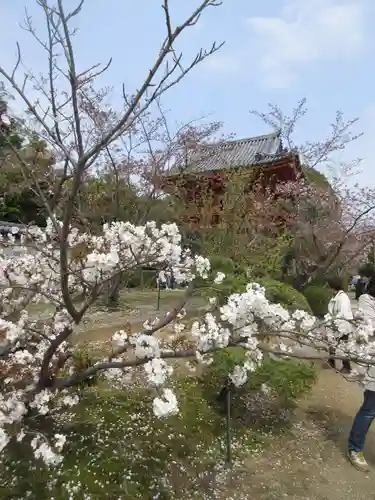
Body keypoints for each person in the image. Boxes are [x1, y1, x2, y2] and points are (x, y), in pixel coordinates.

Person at [326, 276, 353, 373]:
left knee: (343, 346)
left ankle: (346, 366)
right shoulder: (335, 297)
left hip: (343, 325)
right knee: (331, 342)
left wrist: (334, 320)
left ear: (333, 287)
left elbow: (343, 313)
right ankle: (331, 361)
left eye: (328, 287)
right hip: (334, 324)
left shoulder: (343, 298)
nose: (327, 289)